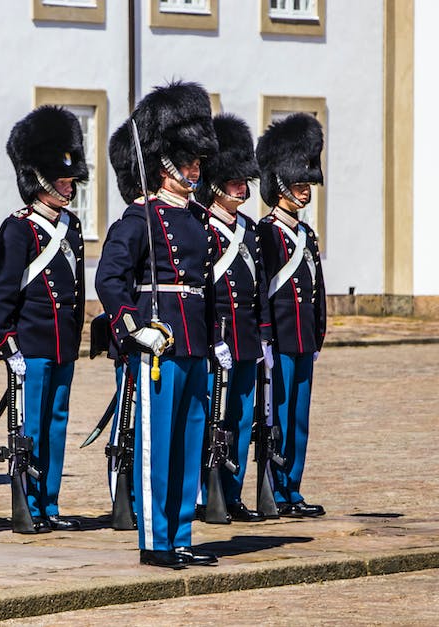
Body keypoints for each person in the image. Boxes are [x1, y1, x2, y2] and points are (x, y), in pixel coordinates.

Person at [95, 80, 220, 568]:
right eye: (186, 162)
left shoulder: (195, 218)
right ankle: (156, 539)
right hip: (157, 345)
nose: (194, 170)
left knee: (190, 444)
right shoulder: (138, 219)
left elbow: (201, 285)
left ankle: (182, 532)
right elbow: (109, 279)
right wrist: (130, 327)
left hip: (192, 342)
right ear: (164, 164)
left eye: (196, 162)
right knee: (158, 448)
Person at [0, 105, 88, 534]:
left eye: (69, 180)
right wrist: (6, 340)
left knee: (56, 423)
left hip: (62, 342)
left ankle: (49, 500)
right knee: (29, 427)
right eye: (62, 181)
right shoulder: (18, 228)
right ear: (40, 180)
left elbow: (76, 289)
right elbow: (0, 289)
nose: (68, 187)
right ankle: (26, 502)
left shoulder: (72, 226)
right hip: (30, 342)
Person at [194, 113, 268, 523]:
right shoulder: (202, 227)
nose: (242, 189)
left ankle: (232, 493)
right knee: (212, 418)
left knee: (239, 418)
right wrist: (210, 339)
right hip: (216, 338)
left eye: (245, 182)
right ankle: (208, 493)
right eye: (235, 181)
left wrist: (261, 338)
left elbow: (256, 290)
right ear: (217, 183)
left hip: (245, 338)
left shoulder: (251, 230)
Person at [255, 112, 327, 518]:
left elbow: (315, 290)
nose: (305, 190)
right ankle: (275, 489)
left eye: (307, 183)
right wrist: (265, 336)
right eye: (299, 184)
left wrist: (319, 333)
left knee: (299, 417)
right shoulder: (267, 233)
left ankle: (293, 487)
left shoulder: (305, 235)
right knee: (277, 416)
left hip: (302, 337)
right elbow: (261, 288)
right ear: (279, 185)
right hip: (279, 337)